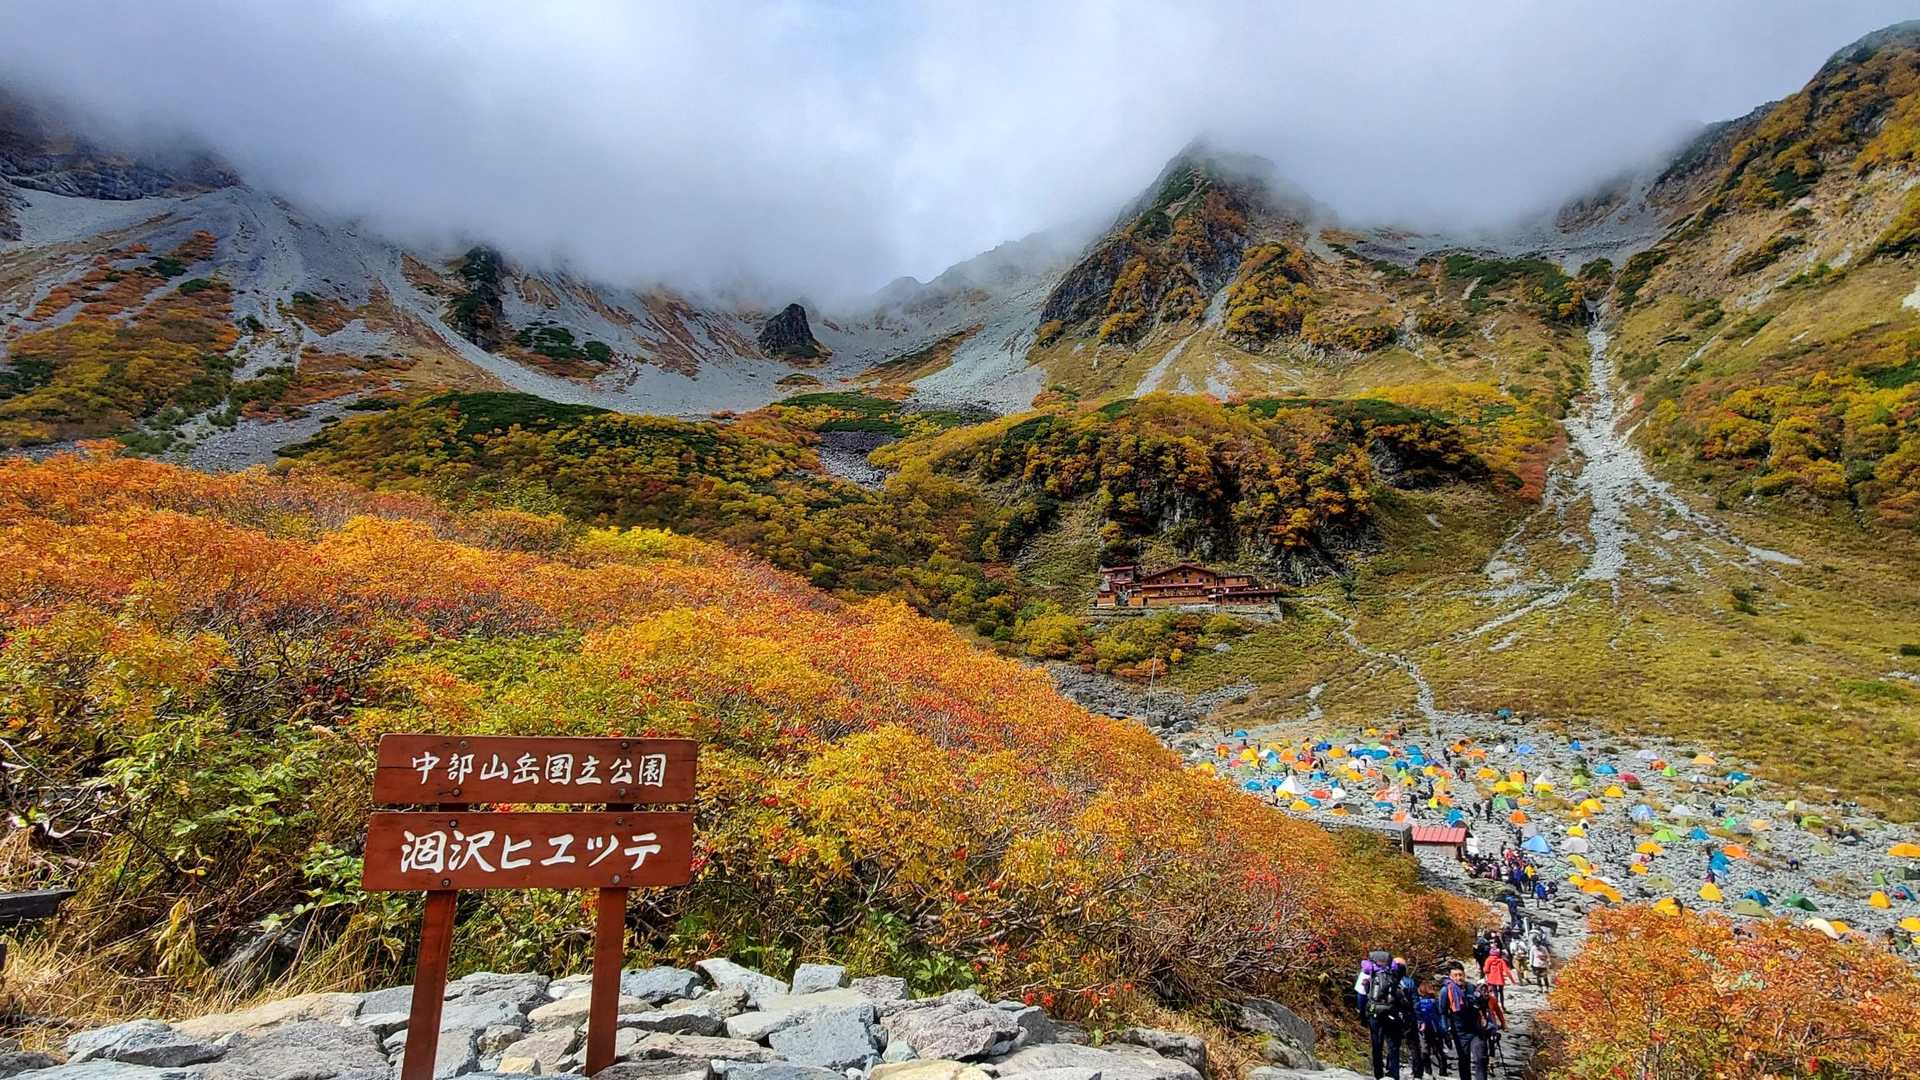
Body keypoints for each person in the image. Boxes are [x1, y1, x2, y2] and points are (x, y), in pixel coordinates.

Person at [1367, 957, 1407, 1078]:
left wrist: (1365, 1014)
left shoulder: (1372, 975)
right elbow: (1403, 999)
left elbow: (1362, 996)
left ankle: (1378, 1074)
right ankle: (1394, 1074)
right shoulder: (1397, 976)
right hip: (1391, 1013)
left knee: (1376, 1044)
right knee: (1393, 1045)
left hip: (1374, 1012)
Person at [1414, 980, 1448, 1078]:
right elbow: (1441, 1014)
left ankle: (1428, 1071)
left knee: (1425, 1051)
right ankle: (1443, 1071)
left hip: (1423, 1030)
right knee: (1438, 1051)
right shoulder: (1434, 1001)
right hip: (1435, 1029)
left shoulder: (1418, 1002)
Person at [1482, 945, 1510, 1009]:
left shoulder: (1488, 960)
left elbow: (1486, 970)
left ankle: (1496, 1006)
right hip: (1500, 978)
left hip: (1492, 978)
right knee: (1501, 993)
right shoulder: (1501, 960)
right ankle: (1502, 1006)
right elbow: (1506, 970)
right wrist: (1512, 980)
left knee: (1495, 993)